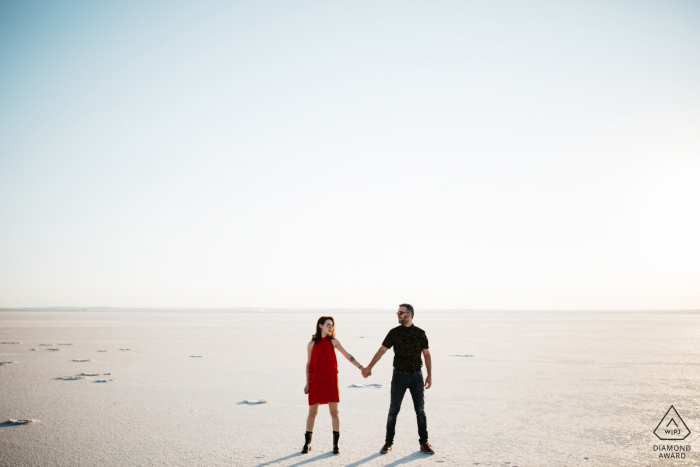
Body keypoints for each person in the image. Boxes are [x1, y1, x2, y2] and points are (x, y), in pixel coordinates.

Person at [362, 304, 434, 455]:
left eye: (400, 313)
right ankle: (388, 443)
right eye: (397, 313)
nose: (398, 315)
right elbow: (382, 351)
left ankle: (424, 443)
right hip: (399, 376)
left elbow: (426, 355)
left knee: (420, 410)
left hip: (416, 376)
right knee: (393, 410)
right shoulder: (394, 333)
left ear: (409, 314)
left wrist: (429, 375)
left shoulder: (420, 333)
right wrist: (369, 367)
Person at [302, 316, 364, 455]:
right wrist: (307, 382)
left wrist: (361, 367)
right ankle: (307, 443)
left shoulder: (334, 342)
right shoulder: (311, 344)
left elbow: (347, 355)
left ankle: (336, 445)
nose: (331, 327)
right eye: (328, 325)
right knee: (312, 413)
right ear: (320, 326)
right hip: (316, 381)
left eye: (332, 325)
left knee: (334, 412)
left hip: (331, 380)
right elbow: (308, 364)